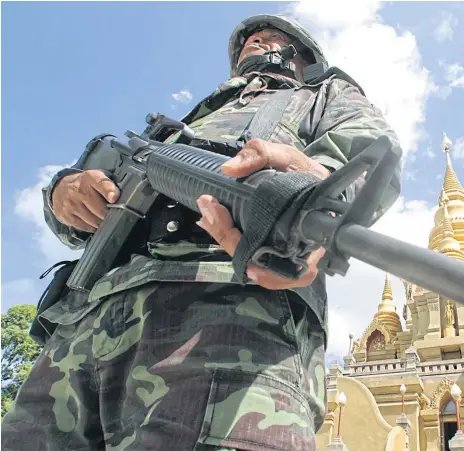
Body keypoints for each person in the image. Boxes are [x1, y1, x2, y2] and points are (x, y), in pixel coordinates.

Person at [1, 13, 402, 451]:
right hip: (83, 323)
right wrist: (63, 196)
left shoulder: (322, 95)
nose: (256, 42)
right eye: (248, 40)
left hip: (226, 311)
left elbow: (366, 156)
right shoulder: (196, 118)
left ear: (300, 59)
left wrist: (312, 199)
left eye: (271, 38)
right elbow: (82, 219)